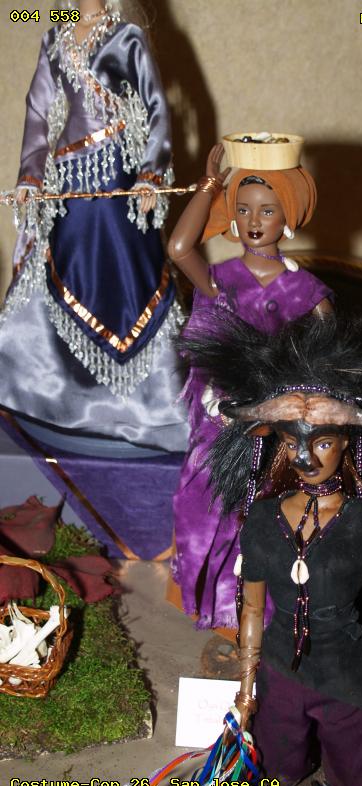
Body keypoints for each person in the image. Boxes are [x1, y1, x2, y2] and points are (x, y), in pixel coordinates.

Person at [181, 311, 362, 786]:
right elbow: (251, 609)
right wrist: (246, 690)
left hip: (345, 679)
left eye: (323, 441)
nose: (306, 457)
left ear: (346, 442)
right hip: (279, 674)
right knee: (273, 776)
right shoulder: (263, 518)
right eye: (292, 442)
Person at [0, 0, 187, 454]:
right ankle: (54, 396)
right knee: (61, 266)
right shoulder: (55, 33)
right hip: (69, 179)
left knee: (129, 274)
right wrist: (30, 175)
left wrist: (150, 173)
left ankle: (146, 405)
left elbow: (157, 107)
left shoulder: (126, 37)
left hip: (116, 175)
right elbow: (38, 111)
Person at [168, 136, 333, 625]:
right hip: (218, 424)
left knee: (266, 521)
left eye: (267, 210)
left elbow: (327, 364)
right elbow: (179, 247)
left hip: (277, 427)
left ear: (288, 216)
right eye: (242, 210)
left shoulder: (307, 291)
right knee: (203, 510)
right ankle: (222, 612)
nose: (254, 221)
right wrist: (208, 186)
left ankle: (267, 620)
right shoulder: (220, 279)